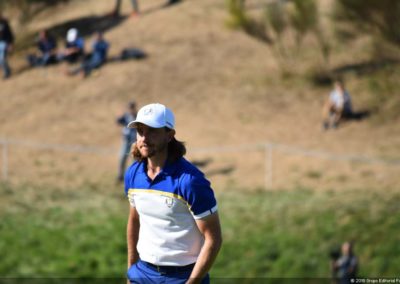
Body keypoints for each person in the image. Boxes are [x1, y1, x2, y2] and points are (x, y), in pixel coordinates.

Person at [124, 103, 222, 284]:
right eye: (140, 131)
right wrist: (132, 269)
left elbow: (213, 239)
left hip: (183, 277)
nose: (144, 138)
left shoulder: (191, 181)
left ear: (169, 135)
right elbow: (134, 220)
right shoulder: (133, 174)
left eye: (152, 131)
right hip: (142, 273)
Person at [116, 101, 137, 183]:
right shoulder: (126, 116)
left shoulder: (137, 116)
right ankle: (120, 176)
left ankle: (134, 176)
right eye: (129, 107)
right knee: (122, 158)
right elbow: (118, 121)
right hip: (126, 140)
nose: (131, 109)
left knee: (134, 159)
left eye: (132, 107)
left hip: (134, 141)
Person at [0, 11, 14, 79]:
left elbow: (10, 34)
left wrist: (10, 44)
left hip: (5, 43)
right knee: (1, 61)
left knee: (2, 59)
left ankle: (7, 73)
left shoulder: (4, 23)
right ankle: (7, 69)